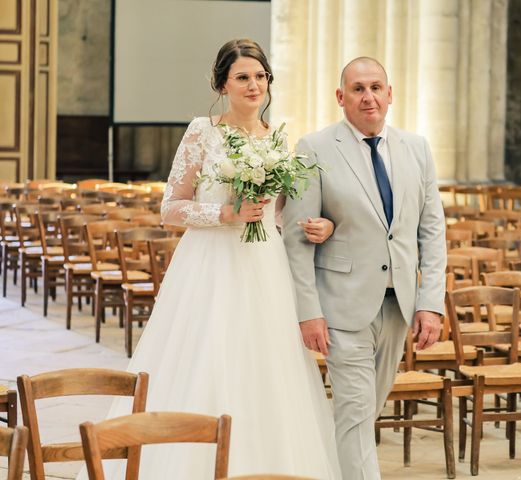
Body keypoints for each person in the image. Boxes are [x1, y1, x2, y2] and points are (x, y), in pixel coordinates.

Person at [76, 39, 341, 479]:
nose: (253, 85)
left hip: (264, 265)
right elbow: (170, 207)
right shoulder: (203, 131)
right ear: (222, 85)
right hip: (210, 264)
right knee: (206, 355)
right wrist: (225, 213)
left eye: (260, 76)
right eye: (242, 77)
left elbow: (278, 211)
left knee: (267, 365)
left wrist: (317, 225)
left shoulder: (277, 137)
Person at [283, 57, 447, 480]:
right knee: (356, 412)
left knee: (363, 411)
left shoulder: (418, 148)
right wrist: (308, 310)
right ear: (341, 97)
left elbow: (431, 232)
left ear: (390, 94)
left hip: (399, 306)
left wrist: (431, 303)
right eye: (357, 88)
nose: (368, 96)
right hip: (340, 304)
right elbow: (296, 237)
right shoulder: (314, 148)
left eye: (376, 87)